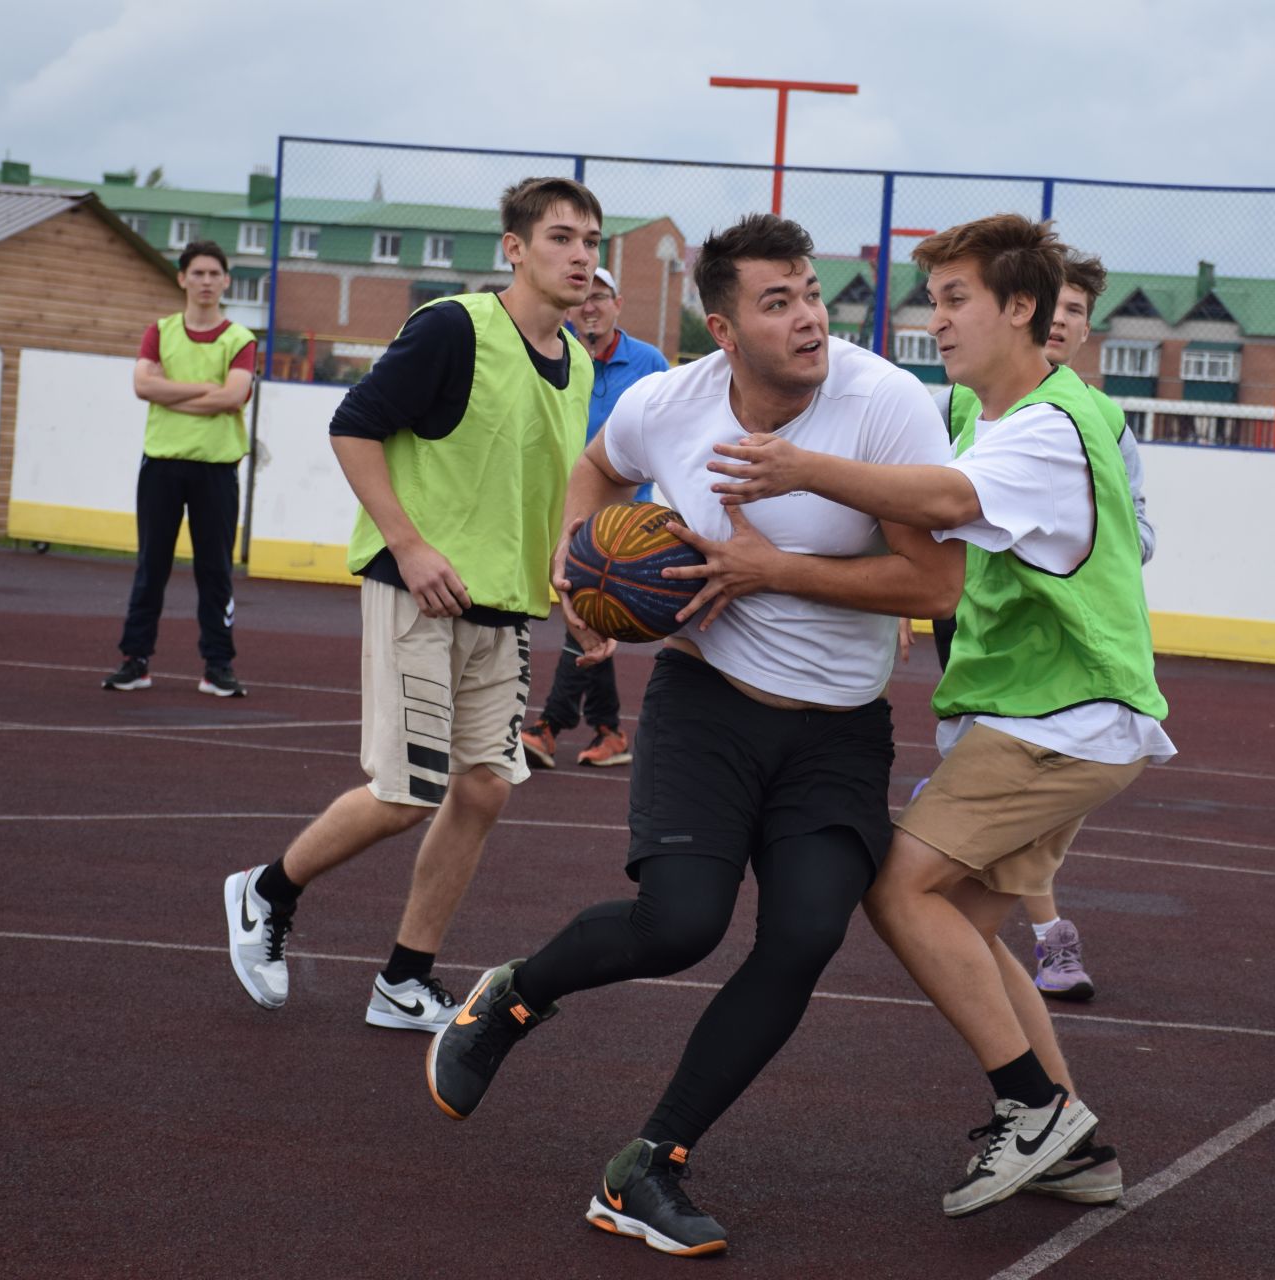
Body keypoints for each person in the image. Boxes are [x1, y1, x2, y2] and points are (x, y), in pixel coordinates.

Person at [423, 213, 962, 1256]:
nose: (808, 317)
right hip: (705, 701)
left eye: (811, 292)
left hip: (839, 728)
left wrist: (773, 569)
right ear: (723, 326)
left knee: (805, 936)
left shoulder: (884, 403)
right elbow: (597, 469)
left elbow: (937, 580)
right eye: (777, 301)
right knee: (680, 922)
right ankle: (514, 993)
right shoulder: (669, 402)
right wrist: (578, 577)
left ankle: (650, 1164)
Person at [705, 215, 1175, 1217]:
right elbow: (938, 521)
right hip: (1035, 712)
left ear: (1021, 310)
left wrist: (799, 468)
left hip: (1060, 717)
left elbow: (940, 495)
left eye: (958, 298)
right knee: (961, 919)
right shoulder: (981, 407)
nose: (938, 318)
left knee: (899, 888)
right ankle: (1072, 1138)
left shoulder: (1054, 422)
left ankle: (1034, 1107)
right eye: (933, 298)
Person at [220, 177, 601, 1033]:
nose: (581, 256)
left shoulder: (576, 364)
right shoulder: (456, 327)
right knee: (408, 792)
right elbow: (353, 425)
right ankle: (264, 891)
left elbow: (538, 497)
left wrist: (568, 592)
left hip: (504, 609)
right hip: (418, 595)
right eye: (562, 238)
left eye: (590, 242)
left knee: (482, 792)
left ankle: (403, 981)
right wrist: (409, 542)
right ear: (515, 247)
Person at [924, 248, 1157, 1003]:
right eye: (1055, 304)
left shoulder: (1089, 423)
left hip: (1054, 686)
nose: (1061, 319)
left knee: (914, 887)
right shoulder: (964, 403)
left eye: (1076, 311)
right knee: (969, 887)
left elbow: (1135, 533)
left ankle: (1050, 947)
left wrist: (1041, 523)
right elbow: (930, 495)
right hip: (981, 645)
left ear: (1087, 329)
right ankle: (1045, 1098)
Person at [520, 266, 669, 771]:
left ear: (618, 304)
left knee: (584, 608)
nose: (591, 307)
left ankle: (548, 726)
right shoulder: (557, 354)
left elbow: (660, 435)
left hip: (618, 521)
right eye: (584, 297)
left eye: (601, 297)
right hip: (562, 505)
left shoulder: (649, 362)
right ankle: (608, 730)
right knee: (592, 615)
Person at [104, 240, 256, 697]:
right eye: (198, 273)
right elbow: (140, 385)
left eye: (214, 274)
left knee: (215, 571)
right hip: (162, 466)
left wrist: (168, 390)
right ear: (182, 278)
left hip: (216, 468)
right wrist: (202, 392)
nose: (206, 281)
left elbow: (233, 395)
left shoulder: (239, 339)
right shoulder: (161, 330)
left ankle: (217, 666)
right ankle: (136, 661)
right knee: (151, 566)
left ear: (226, 281)